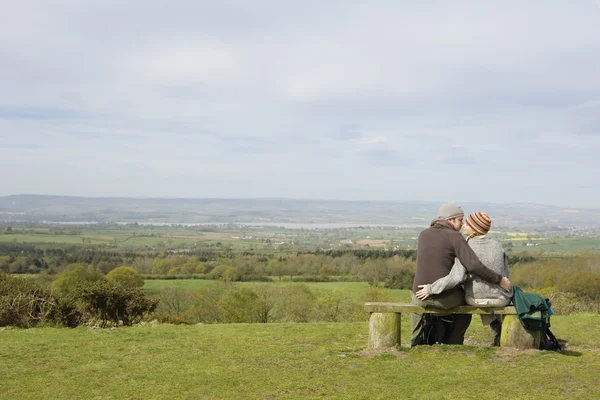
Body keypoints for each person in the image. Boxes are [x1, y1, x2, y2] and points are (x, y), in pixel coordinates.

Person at [410, 203, 512, 346]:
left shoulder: (423, 234)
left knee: (415, 300)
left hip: (419, 295)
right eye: (460, 219)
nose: (462, 224)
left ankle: (415, 341)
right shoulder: (455, 236)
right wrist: (499, 279)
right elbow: (473, 265)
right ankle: (454, 344)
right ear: (450, 220)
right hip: (444, 298)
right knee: (464, 310)